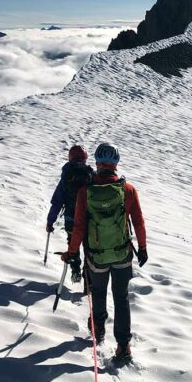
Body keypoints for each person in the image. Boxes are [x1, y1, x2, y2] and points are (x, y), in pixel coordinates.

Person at [61, 142, 148, 362]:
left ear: (97, 163)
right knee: (121, 298)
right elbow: (138, 221)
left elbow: (79, 227)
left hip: (96, 257)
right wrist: (143, 248)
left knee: (98, 293)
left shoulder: (85, 191)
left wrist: (72, 252)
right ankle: (123, 345)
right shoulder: (127, 190)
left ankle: (98, 329)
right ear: (116, 164)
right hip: (122, 256)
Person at [46, 145, 93, 285]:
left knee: (73, 244)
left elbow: (57, 201)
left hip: (70, 218)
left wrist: (50, 221)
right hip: (88, 219)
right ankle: (88, 280)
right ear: (85, 158)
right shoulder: (90, 174)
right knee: (89, 247)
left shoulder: (67, 175)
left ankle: (75, 270)